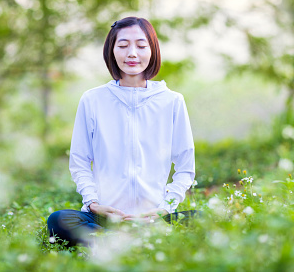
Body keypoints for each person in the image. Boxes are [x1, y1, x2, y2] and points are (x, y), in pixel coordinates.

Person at [47, 16, 196, 247]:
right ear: (112, 51)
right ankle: (128, 241)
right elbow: (79, 161)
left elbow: (186, 168)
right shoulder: (93, 100)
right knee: (58, 220)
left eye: (141, 45)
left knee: (207, 220)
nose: (132, 53)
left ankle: (118, 242)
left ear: (152, 50)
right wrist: (93, 204)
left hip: (153, 218)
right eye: (123, 45)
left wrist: (166, 208)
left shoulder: (172, 101)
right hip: (104, 218)